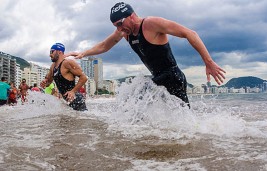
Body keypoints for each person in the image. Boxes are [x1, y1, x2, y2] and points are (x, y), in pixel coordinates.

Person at [66, 2, 226, 106]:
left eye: (120, 24)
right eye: (116, 27)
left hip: (173, 77)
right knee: (140, 103)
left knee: (184, 117)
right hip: (157, 79)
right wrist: (83, 53)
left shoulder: (151, 24)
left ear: (131, 16)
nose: (119, 30)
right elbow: (104, 45)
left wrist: (209, 62)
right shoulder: (124, 32)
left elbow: (190, 33)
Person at [40, 43, 88, 111]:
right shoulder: (52, 67)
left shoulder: (68, 62)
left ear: (59, 52)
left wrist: (73, 91)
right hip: (67, 100)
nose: (50, 54)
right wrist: (45, 82)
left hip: (76, 99)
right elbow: (49, 81)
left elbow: (84, 77)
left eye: (52, 51)